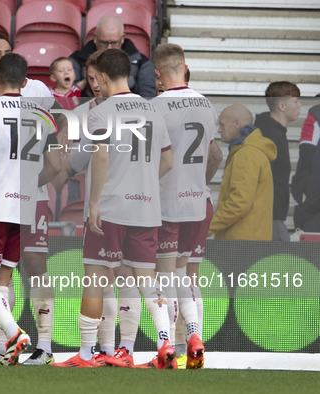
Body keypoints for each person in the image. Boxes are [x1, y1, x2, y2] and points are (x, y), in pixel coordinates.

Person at [53, 49, 175, 369]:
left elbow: (102, 156)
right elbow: (168, 161)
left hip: (112, 207)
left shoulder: (102, 111)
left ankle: (85, 354)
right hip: (147, 209)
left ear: (104, 77)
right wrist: (145, 182)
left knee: (95, 276)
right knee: (145, 280)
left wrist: (93, 202)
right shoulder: (153, 110)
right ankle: (166, 344)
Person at [0, 33, 61, 366]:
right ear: (26, 79)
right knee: (2, 279)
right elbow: (56, 165)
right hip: (26, 207)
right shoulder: (42, 115)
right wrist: (32, 184)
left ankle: (14, 333)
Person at [151, 43, 218, 370]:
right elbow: (216, 155)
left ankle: (172, 349)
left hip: (167, 202)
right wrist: (199, 182)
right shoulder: (207, 104)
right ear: (185, 67)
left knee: (164, 278)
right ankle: (195, 339)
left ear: (158, 74)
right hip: (199, 201)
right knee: (188, 275)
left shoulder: (155, 106)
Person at [209, 104, 277, 240]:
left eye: (222, 125)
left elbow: (238, 203)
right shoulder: (250, 150)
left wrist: (206, 228)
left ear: (236, 123)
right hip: (251, 240)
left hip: (240, 244)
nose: (219, 130)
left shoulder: (246, 153)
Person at [254, 81, 302, 241]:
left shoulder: (274, 132)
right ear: (282, 106)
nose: (300, 105)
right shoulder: (271, 136)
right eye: (295, 101)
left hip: (271, 217)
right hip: (269, 219)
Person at [69, 15, 156, 98]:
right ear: (95, 38)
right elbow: (67, 95)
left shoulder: (142, 62)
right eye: (104, 42)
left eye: (114, 43)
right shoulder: (76, 60)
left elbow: (147, 98)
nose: (109, 48)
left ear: (122, 38)